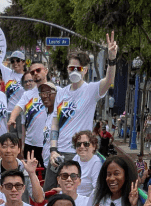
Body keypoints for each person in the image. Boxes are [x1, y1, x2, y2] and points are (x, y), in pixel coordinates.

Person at [49, 36, 119, 167]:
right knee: (49, 187)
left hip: (79, 154)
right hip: (58, 153)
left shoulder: (90, 90)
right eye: (71, 68)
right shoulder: (61, 93)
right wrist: (53, 150)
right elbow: (55, 124)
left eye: (78, 68)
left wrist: (112, 59)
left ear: (85, 70)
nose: (74, 71)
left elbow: (109, 80)